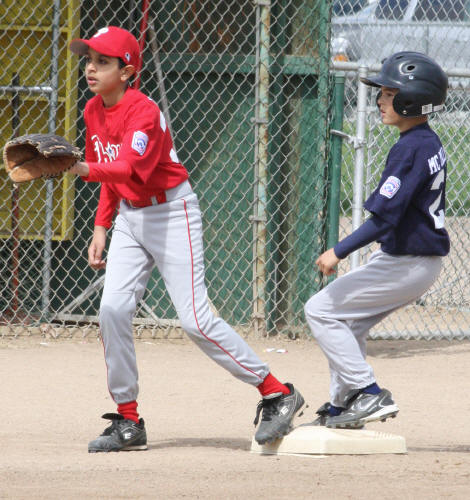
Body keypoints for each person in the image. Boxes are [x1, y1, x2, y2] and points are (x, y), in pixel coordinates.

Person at [68, 26, 304, 452]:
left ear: (128, 71)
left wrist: (79, 168)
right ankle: (128, 420)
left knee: (196, 320)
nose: (91, 68)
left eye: (103, 61)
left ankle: (276, 392)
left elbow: (125, 168)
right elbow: (108, 171)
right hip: (129, 217)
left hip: (171, 213)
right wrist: (102, 225)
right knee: (112, 310)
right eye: (89, 59)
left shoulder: (144, 112)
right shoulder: (92, 110)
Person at [304, 51, 449, 429]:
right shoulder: (426, 142)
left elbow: (384, 220)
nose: (380, 100)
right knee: (348, 325)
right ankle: (344, 405)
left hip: (408, 262)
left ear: (412, 99)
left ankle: (369, 393)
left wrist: (338, 251)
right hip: (412, 260)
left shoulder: (409, 148)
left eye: (389, 93)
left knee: (319, 310)